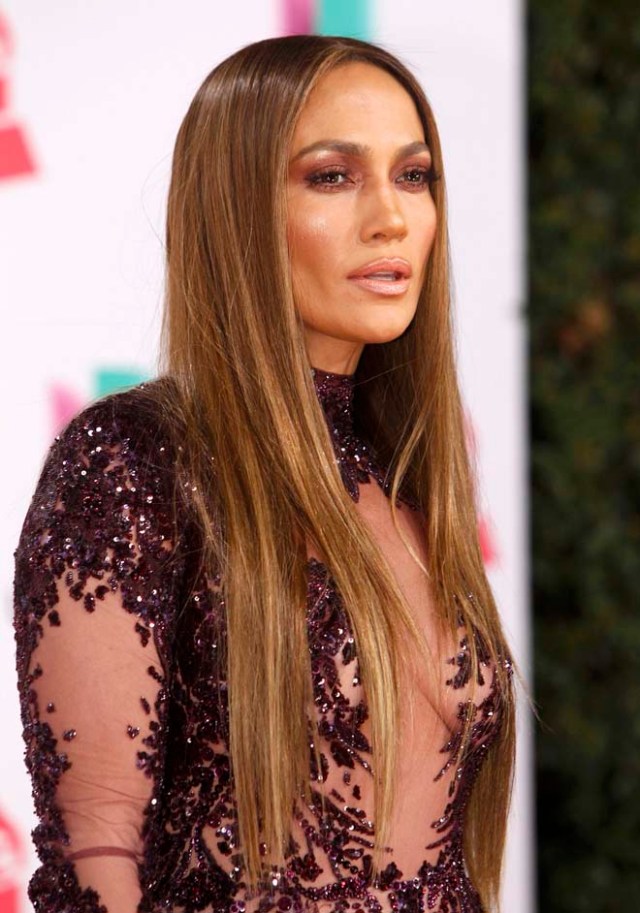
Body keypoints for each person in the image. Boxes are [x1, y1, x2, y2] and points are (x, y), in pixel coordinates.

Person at [13, 34, 515, 913]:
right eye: (332, 176)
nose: (391, 218)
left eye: (414, 175)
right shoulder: (133, 459)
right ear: (235, 207)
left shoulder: (409, 483)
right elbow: (93, 857)